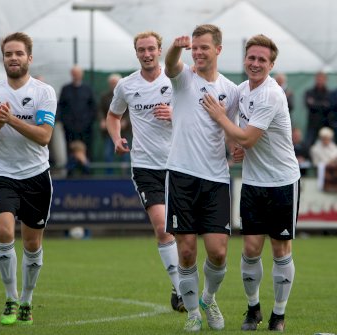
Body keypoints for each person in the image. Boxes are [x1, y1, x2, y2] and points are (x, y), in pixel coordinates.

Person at [201, 34, 301, 332]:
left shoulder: (272, 93)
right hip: (254, 183)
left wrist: (224, 121)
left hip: (283, 181)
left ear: (271, 64)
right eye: (251, 58)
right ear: (245, 59)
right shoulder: (242, 90)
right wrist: (237, 144)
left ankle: (278, 315)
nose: (255, 63)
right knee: (250, 249)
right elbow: (240, 137)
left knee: (281, 250)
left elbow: (247, 136)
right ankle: (253, 309)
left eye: (262, 60)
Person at [0, 32, 57, 326]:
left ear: (29, 58)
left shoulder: (44, 92)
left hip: (36, 176)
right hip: (3, 174)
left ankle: (26, 301)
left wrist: (13, 121)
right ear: (3, 58)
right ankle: (10, 298)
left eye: (19, 53)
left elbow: (44, 138)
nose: (13, 58)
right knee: (5, 233)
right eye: (9, 54)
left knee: (32, 245)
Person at [165, 24, 241, 332]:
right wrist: (174, 46)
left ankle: (208, 298)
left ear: (218, 50)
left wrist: (237, 149)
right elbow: (169, 65)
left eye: (203, 48)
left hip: (216, 179)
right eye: (194, 48)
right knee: (185, 251)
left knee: (219, 252)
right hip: (181, 174)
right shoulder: (184, 79)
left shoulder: (231, 90)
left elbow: (231, 132)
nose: (197, 53)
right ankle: (194, 312)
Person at [106, 31, 185, 313]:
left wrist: (175, 115)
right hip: (145, 166)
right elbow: (114, 116)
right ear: (136, 52)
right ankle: (181, 289)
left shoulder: (178, 79)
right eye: (142, 50)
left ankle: (183, 284)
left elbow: (199, 114)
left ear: (160, 50)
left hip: (181, 164)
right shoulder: (127, 85)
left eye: (152, 49)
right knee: (163, 227)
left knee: (186, 234)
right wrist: (116, 138)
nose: (147, 54)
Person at [57, 65, 97, 160]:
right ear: (71, 74)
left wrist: (87, 122)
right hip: (69, 129)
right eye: (74, 74)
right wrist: (65, 122)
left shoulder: (88, 89)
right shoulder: (65, 89)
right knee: (70, 151)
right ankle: (70, 172)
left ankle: (87, 172)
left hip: (86, 129)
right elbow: (61, 107)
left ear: (81, 75)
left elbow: (93, 108)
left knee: (87, 152)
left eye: (78, 74)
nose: (76, 76)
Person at [99, 73, 131, 175]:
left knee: (125, 155)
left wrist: (125, 121)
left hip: (124, 132)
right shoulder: (104, 96)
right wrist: (103, 120)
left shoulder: (127, 95)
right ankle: (109, 176)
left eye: (115, 83)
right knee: (108, 154)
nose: (113, 85)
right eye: (111, 83)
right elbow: (100, 110)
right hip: (109, 132)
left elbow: (131, 110)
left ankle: (125, 176)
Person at [310, 127, 337, 192]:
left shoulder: (336, 148)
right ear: (321, 138)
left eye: (328, 138)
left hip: (336, 172)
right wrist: (329, 162)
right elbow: (316, 163)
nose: (326, 140)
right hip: (325, 173)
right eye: (324, 138)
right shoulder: (315, 149)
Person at [304, 71, 331, 147]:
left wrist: (314, 103)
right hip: (312, 124)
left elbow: (329, 106)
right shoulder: (309, 92)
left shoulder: (329, 93)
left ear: (326, 80)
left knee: (327, 146)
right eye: (318, 79)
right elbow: (308, 105)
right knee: (308, 145)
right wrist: (323, 104)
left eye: (322, 79)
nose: (320, 81)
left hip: (326, 124)